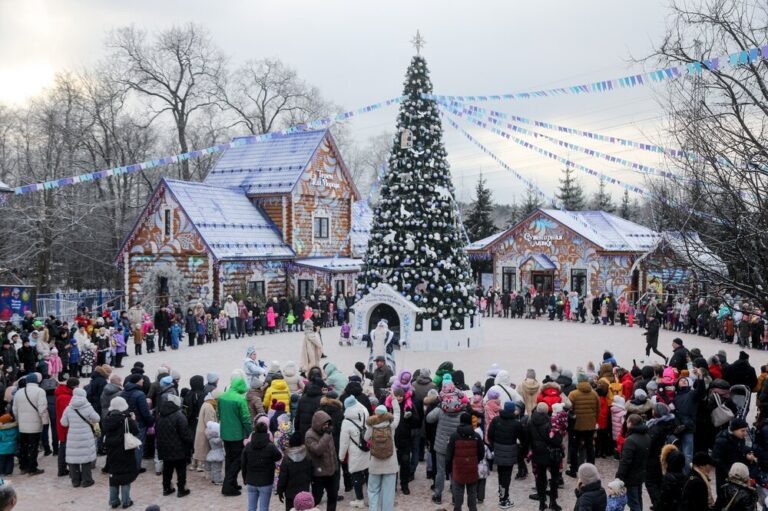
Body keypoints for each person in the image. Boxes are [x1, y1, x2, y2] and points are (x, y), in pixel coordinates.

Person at [103, 396, 139, 509]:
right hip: (125, 450)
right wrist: (133, 419)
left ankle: (113, 501)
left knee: (113, 475)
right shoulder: (126, 420)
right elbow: (136, 431)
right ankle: (126, 501)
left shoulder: (107, 419)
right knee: (125, 476)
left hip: (111, 451)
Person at [219, 376, 252, 496]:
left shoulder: (222, 396)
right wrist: (251, 431)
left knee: (229, 459)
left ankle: (232, 483)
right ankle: (227, 486)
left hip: (225, 434)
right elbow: (246, 418)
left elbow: (219, 414)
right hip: (237, 435)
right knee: (238, 460)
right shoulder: (240, 399)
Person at [59, 387, 100, 488]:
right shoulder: (88, 407)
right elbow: (97, 418)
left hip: (73, 436)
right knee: (85, 459)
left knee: (73, 459)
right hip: (86, 435)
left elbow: (63, 423)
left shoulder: (69, 408)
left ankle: (75, 481)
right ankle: (87, 480)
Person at [366, 396, 401, 511]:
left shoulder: (371, 426)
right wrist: (394, 399)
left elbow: (366, 438)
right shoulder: (391, 426)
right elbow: (397, 413)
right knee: (388, 492)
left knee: (373, 490)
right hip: (390, 465)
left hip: (375, 464)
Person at [156, 393, 193, 498]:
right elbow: (185, 434)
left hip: (164, 447)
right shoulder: (179, 416)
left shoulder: (160, 416)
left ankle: (166, 488)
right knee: (181, 469)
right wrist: (190, 444)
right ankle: (182, 489)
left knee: (167, 468)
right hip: (179, 448)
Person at [446, 412, 485, 511]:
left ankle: (457, 508)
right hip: (472, 468)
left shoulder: (454, 436)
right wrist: (475, 461)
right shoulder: (476, 436)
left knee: (458, 492)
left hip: (458, 469)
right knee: (472, 493)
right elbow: (481, 453)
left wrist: (449, 469)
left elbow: (449, 455)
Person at [488, 401, 522, 508]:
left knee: (501, 474)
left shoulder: (496, 420)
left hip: (498, 450)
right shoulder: (516, 423)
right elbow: (522, 438)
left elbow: (490, 435)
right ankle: (504, 500)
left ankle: (502, 495)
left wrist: (494, 446)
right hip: (510, 451)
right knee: (506, 476)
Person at [242, 420, 282, 511]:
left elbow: (243, 463)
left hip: (251, 481)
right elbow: (278, 456)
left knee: (251, 508)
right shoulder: (270, 446)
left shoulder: (248, 446)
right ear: (266, 431)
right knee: (264, 508)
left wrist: (245, 478)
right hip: (266, 481)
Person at [13, 373, 49, 475]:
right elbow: (42, 409)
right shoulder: (40, 391)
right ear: (37, 381)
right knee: (33, 446)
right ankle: (32, 468)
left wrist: (18, 420)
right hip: (35, 424)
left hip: (22, 425)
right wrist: (45, 422)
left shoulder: (19, 392)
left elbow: (14, 409)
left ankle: (23, 466)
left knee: (23, 446)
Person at [338, 394, 370, 509]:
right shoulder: (365, 413)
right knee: (368, 474)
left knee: (356, 475)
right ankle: (372, 498)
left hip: (355, 452)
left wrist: (341, 456)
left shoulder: (346, 422)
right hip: (366, 449)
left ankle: (360, 500)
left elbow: (344, 442)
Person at [711, 417, 756, 498]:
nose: (745, 433)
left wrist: (746, 454)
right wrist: (729, 471)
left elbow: (740, 450)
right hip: (725, 476)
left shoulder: (740, 438)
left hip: (737, 475)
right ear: (734, 430)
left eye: (746, 430)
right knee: (724, 498)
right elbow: (715, 459)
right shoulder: (722, 440)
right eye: (742, 431)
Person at [304, 410, 339, 511]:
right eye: (324, 424)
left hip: (332, 472)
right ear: (318, 424)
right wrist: (327, 435)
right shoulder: (310, 435)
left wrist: (336, 467)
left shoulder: (327, 432)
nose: (327, 426)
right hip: (319, 474)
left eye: (328, 424)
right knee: (316, 499)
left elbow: (332, 451)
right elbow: (318, 450)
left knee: (333, 497)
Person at [566, 372, 599, 476]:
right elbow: (598, 409)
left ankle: (573, 469)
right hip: (590, 425)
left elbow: (569, 409)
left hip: (577, 425)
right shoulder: (594, 393)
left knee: (574, 447)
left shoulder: (573, 394)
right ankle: (591, 468)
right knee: (590, 447)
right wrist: (593, 420)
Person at [615, 414, 650, 511]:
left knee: (633, 502)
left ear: (630, 423)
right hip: (640, 473)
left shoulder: (630, 440)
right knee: (638, 499)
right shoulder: (646, 436)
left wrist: (619, 476)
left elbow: (625, 461)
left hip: (631, 476)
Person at [277, 433, 313, 511]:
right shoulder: (307, 456)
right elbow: (311, 473)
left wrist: (280, 491)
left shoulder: (287, 459)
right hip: (304, 493)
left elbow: (283, 477)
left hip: (290, 494)